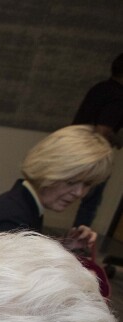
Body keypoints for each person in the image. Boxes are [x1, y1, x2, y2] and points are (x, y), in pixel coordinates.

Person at [0, 124, 113, 295]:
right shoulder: (13, 218)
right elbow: (9, 291)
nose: (80, 193)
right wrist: (81, 279)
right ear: (48, 170)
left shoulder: (21, 204)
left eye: (87, 185)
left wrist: (64, 247)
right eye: (71, 182)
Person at [72, 52, 123, 228]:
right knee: (90, 202)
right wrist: (117, 141)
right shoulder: (118, 96)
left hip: (74, 144)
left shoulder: (100, 87)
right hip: (92, 153)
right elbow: (103, 130)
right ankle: (78, 244)